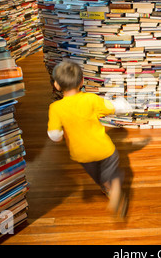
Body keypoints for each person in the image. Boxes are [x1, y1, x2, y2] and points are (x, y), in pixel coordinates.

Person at [47, 60, 132, 218]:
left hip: (81, 154)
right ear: (82, 81)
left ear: (57, 85)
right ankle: (114, 189)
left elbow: (54, 136)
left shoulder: (55, 108)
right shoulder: (91, 100)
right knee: (111, 171)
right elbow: (113, 107)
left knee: (98, 175)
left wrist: (61, 134)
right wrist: (124, 104)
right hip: (103, 149)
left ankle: (107, 188)